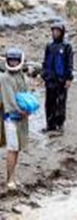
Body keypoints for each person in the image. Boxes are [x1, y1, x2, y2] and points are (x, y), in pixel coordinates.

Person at [0, 48, 30, 190]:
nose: (12, 63)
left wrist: (28, 109)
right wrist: (20, 111)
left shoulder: (20, 75)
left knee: (17, 148)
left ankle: (13, 176)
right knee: (12, 148)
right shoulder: (5, 78)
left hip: (21, 116)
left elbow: (25, 94)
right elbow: (9, 99)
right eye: (10, 60)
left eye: (15, 60)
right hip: (11, 118)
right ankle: (9, 179)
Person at [42, 22, 74, 134]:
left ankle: (60, 124)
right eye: (54, 31)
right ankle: (50, 125)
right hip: (50, 79)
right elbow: (45, 62)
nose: (55, 33)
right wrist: (44, 75)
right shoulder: (49, 46)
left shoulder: (66, 47)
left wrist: (69, 78)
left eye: (58, 31)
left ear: (62, 33)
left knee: (60, 103)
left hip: (61, 80)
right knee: (49, 103)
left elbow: (70, 63)